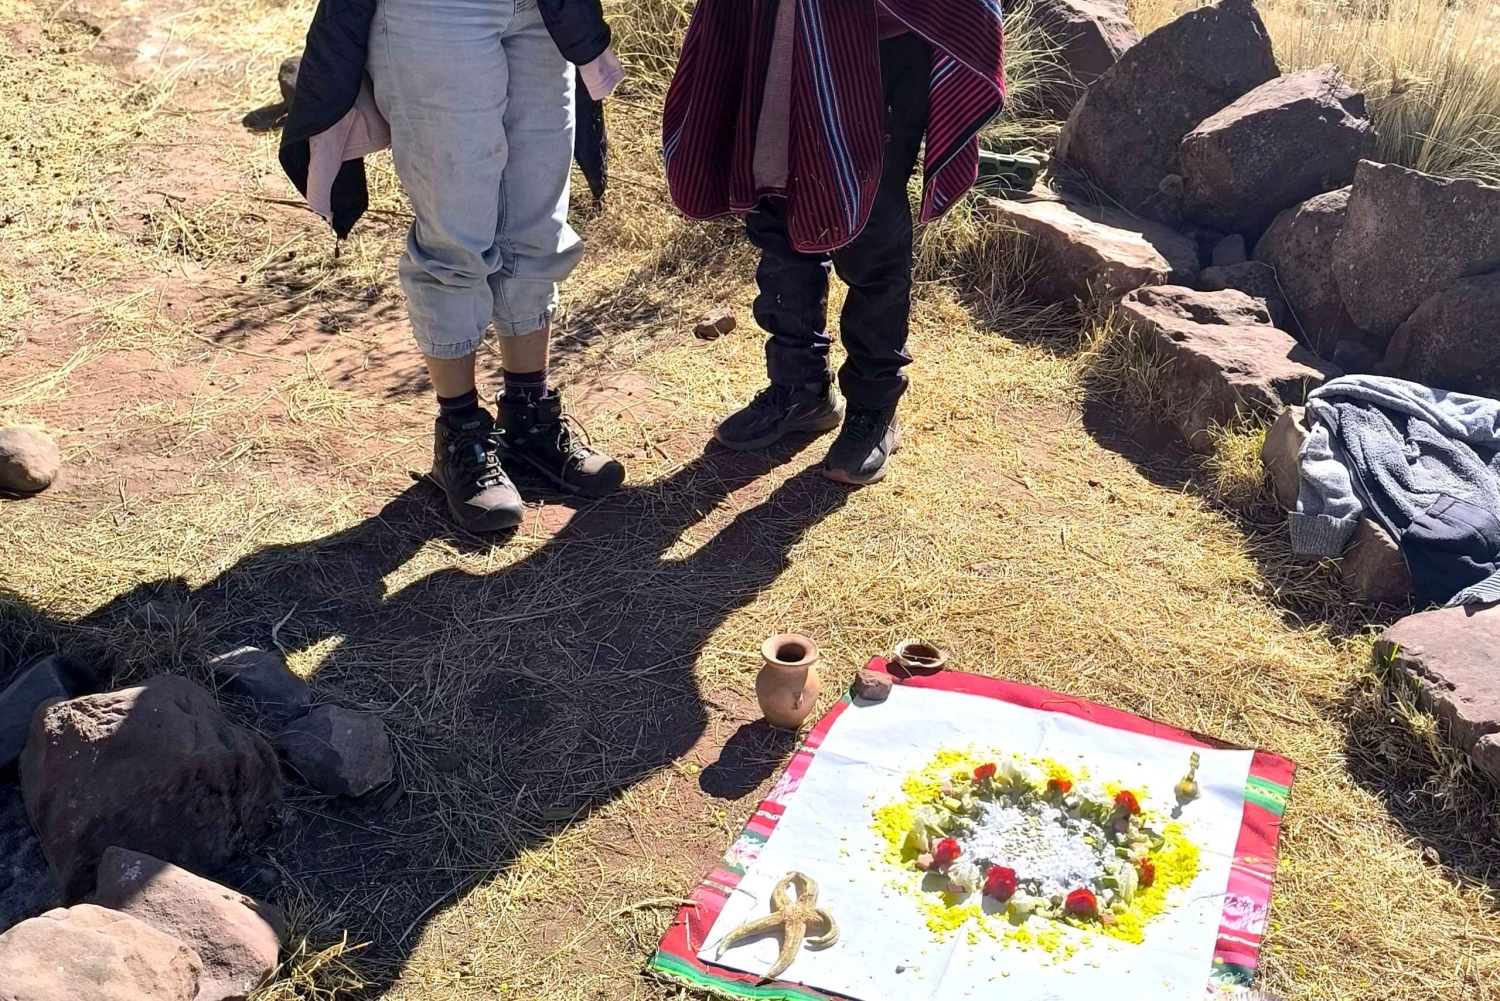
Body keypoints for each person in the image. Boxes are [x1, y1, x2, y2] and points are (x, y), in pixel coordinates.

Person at [280, 0, 627, 532]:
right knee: (455, 239)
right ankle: (461, 435)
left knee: (537, 227)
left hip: (543, 12)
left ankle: (528, 419)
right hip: (433, 13)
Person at [663, 1, 1006, 485]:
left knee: (870, 231)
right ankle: (800, 390)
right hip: (773, 27)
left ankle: (874, 407)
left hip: (881, 40)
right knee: (776, 208)